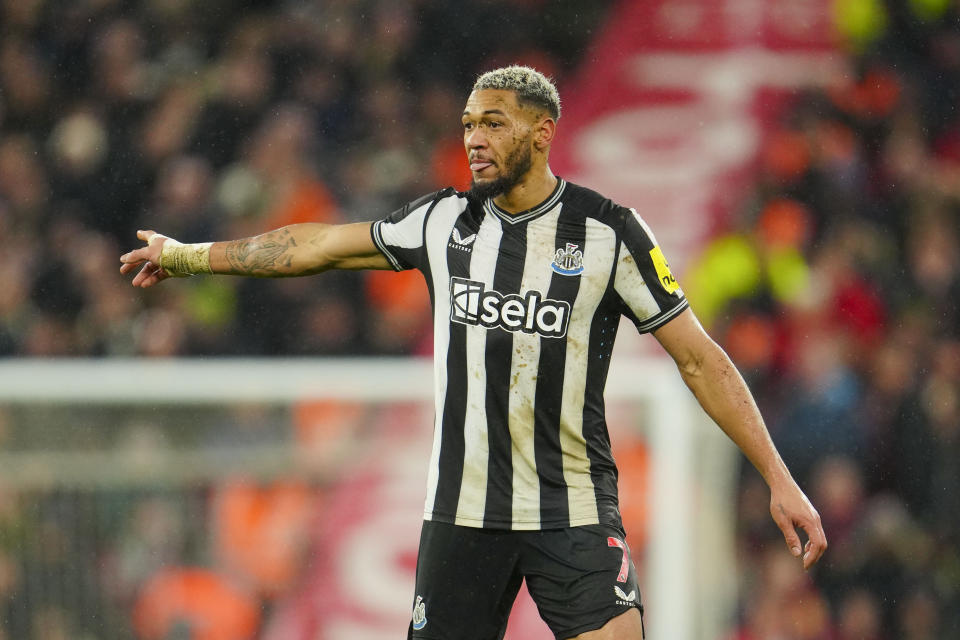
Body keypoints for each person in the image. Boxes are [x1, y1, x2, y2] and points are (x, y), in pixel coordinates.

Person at [121, 65, 827, 640]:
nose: (474, 139)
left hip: (572, 508)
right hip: (464, 515)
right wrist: (190, 257)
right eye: (467, 125)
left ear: (543, 132)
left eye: (493, 122)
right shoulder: (442, 222)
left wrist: (778, 476)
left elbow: (700, 358)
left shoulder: (610, 233)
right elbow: (316, 245)